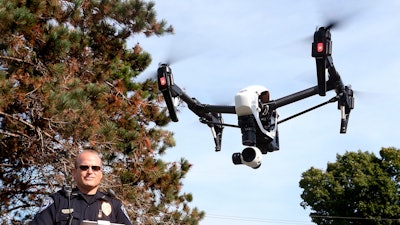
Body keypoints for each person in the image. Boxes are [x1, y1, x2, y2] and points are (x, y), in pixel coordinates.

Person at [30, 150, 133, 225]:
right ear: (74, 172)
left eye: (95, 168)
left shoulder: (114, 205)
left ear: (101, 174)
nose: (90, 172)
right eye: (84, 167)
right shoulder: (58, 201)